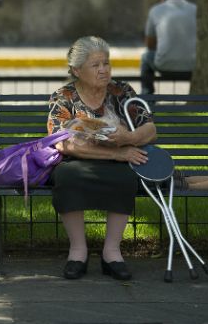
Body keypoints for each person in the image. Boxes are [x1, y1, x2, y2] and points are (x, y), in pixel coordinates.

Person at [47, 36, 157, 281]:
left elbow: (150, 130)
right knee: (66, 176)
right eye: (95, 65)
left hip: (118, 161)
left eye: (106, 63)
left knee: (127, 177)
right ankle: (78, 251)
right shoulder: (63, 96)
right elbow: (63, 142)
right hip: (78, 161)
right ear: (76, 70)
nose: (104, 69)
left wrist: (128, 137)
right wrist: (117, 153)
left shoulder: (122, 91)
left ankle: (112, 253)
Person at [139, 0, 197, 95]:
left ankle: (147, 98)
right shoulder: (195, 9)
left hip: (164, 67)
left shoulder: (155, 10)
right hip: (193, 68)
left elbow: (150, 45)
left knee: (146, 58)